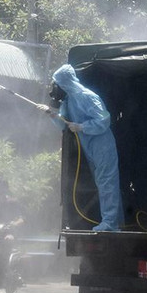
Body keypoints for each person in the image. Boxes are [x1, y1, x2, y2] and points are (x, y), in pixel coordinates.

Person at [37, 64, 122, 231]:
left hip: (102, 146)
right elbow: (64, 124)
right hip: (89, 147)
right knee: (101, 183)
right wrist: (51, 113)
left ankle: (111, 223)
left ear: (66, 82)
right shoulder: (69, 100)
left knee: (107, 183)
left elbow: (104, 120)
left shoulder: (88, 97)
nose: (56, 88)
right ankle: (115, 221)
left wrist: (83, 127)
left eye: (57, 83)